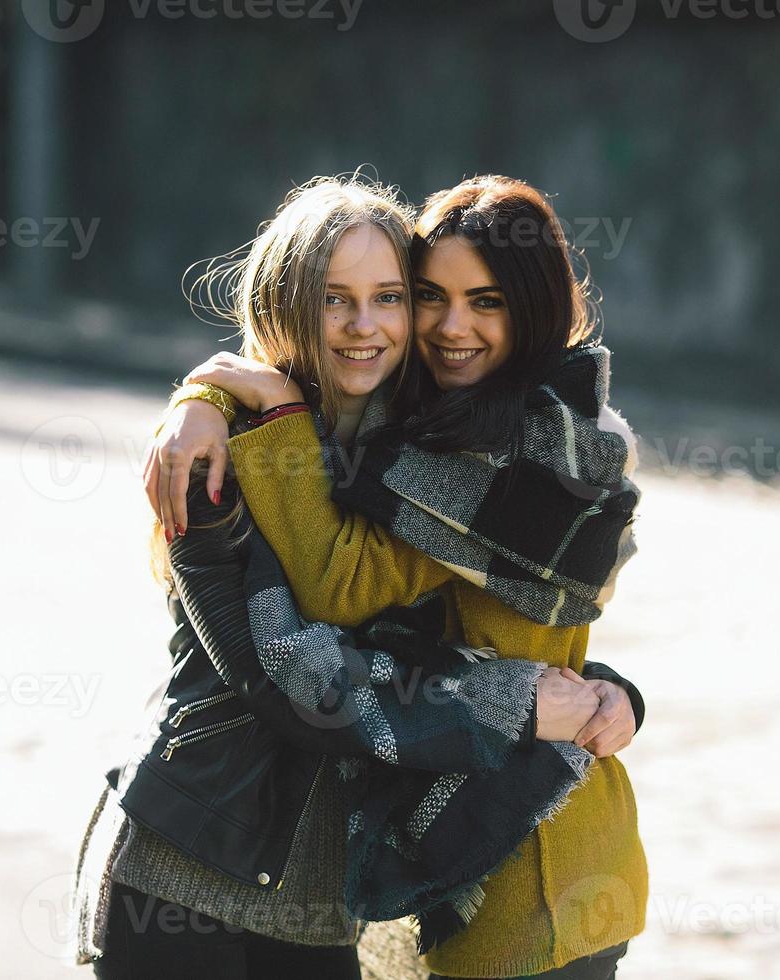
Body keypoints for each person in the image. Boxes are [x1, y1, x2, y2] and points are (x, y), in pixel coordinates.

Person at [74, 175, 645, 980]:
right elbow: (281, 672)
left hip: (324, 907)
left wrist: (605, 690)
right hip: (191, 869)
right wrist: (208, 397)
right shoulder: (222, 449)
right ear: (286, 305)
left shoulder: (417, 452)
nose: (366, 325)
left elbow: (464, 625)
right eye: (334, 299)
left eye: (387, 296)